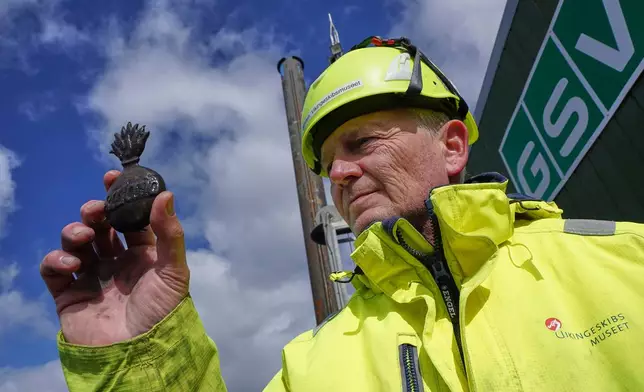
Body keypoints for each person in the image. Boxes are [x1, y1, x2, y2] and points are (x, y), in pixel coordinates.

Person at [41, 36, 644, 391]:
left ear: (453, 146)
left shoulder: (626, 261)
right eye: (327, 161)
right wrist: (142, 357)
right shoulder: (312, 367)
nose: (338, 175)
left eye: (362, 143)